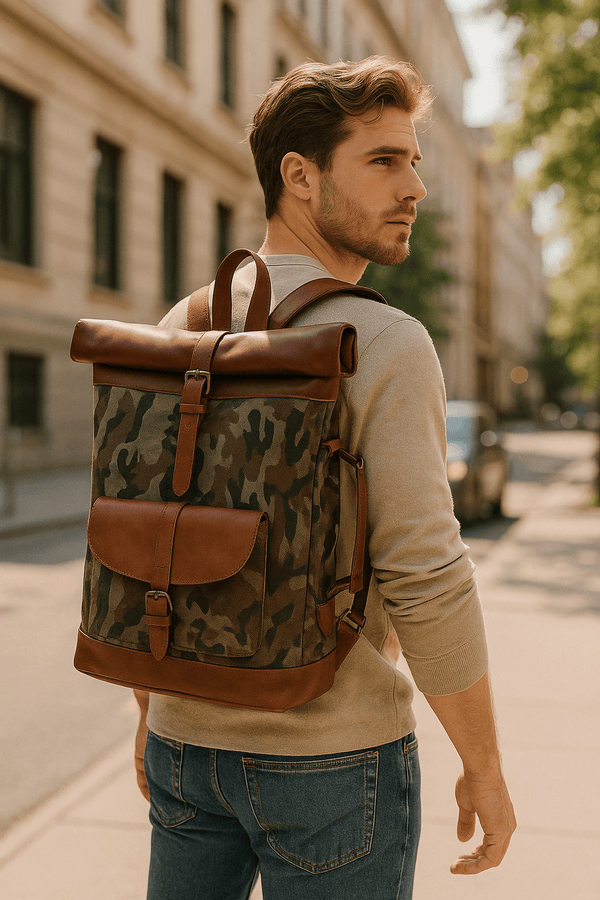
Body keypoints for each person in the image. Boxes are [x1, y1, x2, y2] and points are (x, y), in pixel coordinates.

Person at [134, 56, 516, 900]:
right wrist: (482, 764)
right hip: (332, 762)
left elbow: (137, 538)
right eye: (383, 161)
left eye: (414, 161)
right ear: (299, 177)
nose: (414, 186)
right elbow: (427, 574)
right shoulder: (384, 344)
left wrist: (149, 718)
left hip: (182, 749)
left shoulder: (178, 328)